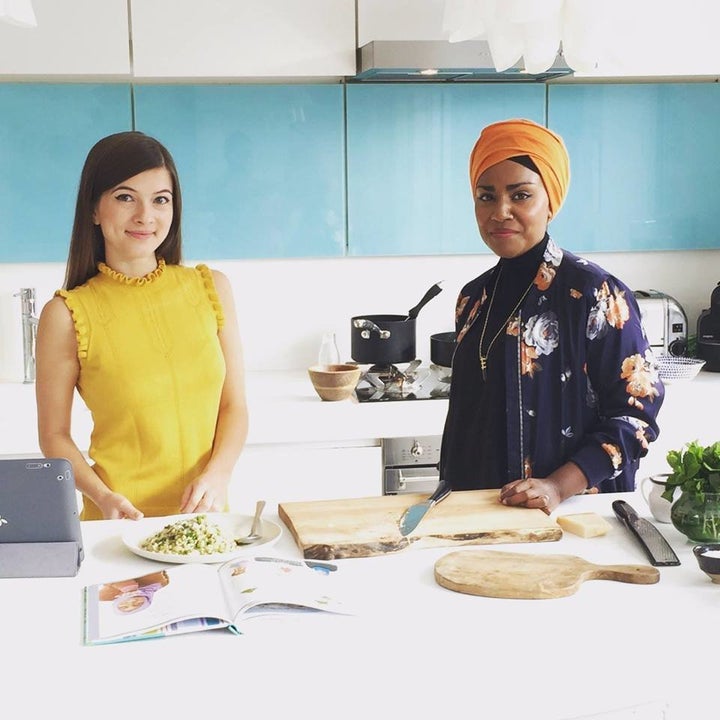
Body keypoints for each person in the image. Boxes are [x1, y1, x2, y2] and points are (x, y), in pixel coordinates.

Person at [440, 118, 664, 513]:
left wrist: (557, 487)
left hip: (570, 517)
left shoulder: (595, 293)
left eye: (520, 195)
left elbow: (636, 419)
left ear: (550, 201)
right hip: (478, 511)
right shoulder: (472, 298)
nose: (500, 212)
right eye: (486, 196)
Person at [35, 131, 249, 520]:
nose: (145, 216)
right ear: (93, 210)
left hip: (206, 522)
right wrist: (104, 497)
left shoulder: (210, 288)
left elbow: (234, 407)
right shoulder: (66, 314)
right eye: (125, 197)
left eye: (160, 200)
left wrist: (218, 476)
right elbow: (53, 437)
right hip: (120, 526)